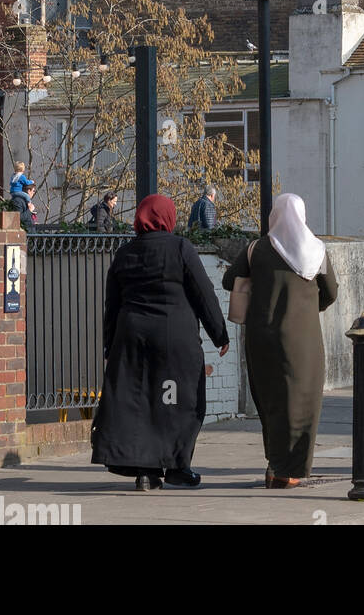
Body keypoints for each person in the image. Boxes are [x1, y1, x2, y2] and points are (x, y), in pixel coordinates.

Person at [91, 194, 229, 491]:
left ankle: (145, 471)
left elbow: (111, 305)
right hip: (173, 339)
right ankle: (178, 466)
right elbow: (203, 293)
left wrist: (109, 346)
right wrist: (219, 333)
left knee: (140, 404)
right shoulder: (180, 248)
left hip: (132, 340)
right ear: (168, 217)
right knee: (179, 400)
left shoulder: (124, 253)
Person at [221, 192, 338, 487]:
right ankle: (291, 471)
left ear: (275, 216)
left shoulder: (257, 248)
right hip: (305, 339)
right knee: (303, 402)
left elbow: (227, 281)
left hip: (262, 337)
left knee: (270, 400)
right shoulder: (317, 251)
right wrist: (311, 307)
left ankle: (275, 465)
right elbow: (331, 293)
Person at [9, 161, 36, 230]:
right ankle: (29, 202)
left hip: (12, 191)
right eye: (33, 191)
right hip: (24, 236)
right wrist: (30, 210)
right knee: (27, 197)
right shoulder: (18, 201)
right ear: (28, 191)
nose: (34, 193)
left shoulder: (13, 175)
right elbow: (19, 218)